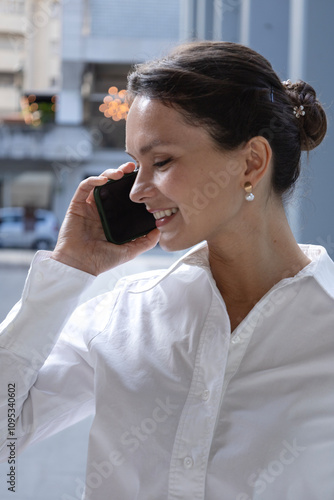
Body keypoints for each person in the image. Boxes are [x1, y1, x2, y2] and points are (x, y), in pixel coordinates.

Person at [0, 41, 333, 500]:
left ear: (252, 162)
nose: (136, 191)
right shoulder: (124, 315)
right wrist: (68, 269)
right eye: (136, 165)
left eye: (161, 162)